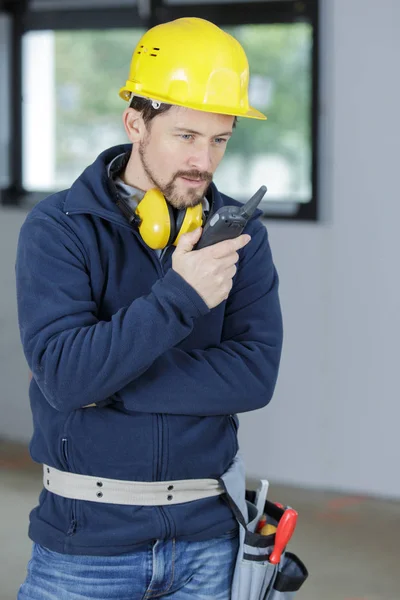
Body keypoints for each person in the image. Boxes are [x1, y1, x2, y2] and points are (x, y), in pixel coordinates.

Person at [16, 16, 283, 600]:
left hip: (211, 544)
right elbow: (63, 376)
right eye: (186, 136)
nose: (204, 161)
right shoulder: (59, 229)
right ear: (136, 121)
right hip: (84, 545)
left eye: (219, 140)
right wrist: (181, 296)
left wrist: (104, 382)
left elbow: (254, 376)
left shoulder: (239, 235)